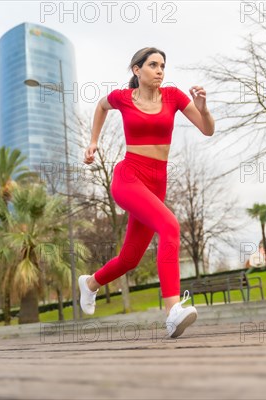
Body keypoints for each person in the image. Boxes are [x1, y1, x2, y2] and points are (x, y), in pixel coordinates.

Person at [79, 47, 215, 338]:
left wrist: (203, 108)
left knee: (130, 258)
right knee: (170, 227)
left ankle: (90, 284)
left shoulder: (174, 97)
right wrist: (93, 141)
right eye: (153, 64)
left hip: (157, 183)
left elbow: (207, 130)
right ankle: (172, 312)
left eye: (163, 65)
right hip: (128, 177)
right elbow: (101, 106)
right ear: (137, 70)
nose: (160, 70)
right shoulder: (123, 98)